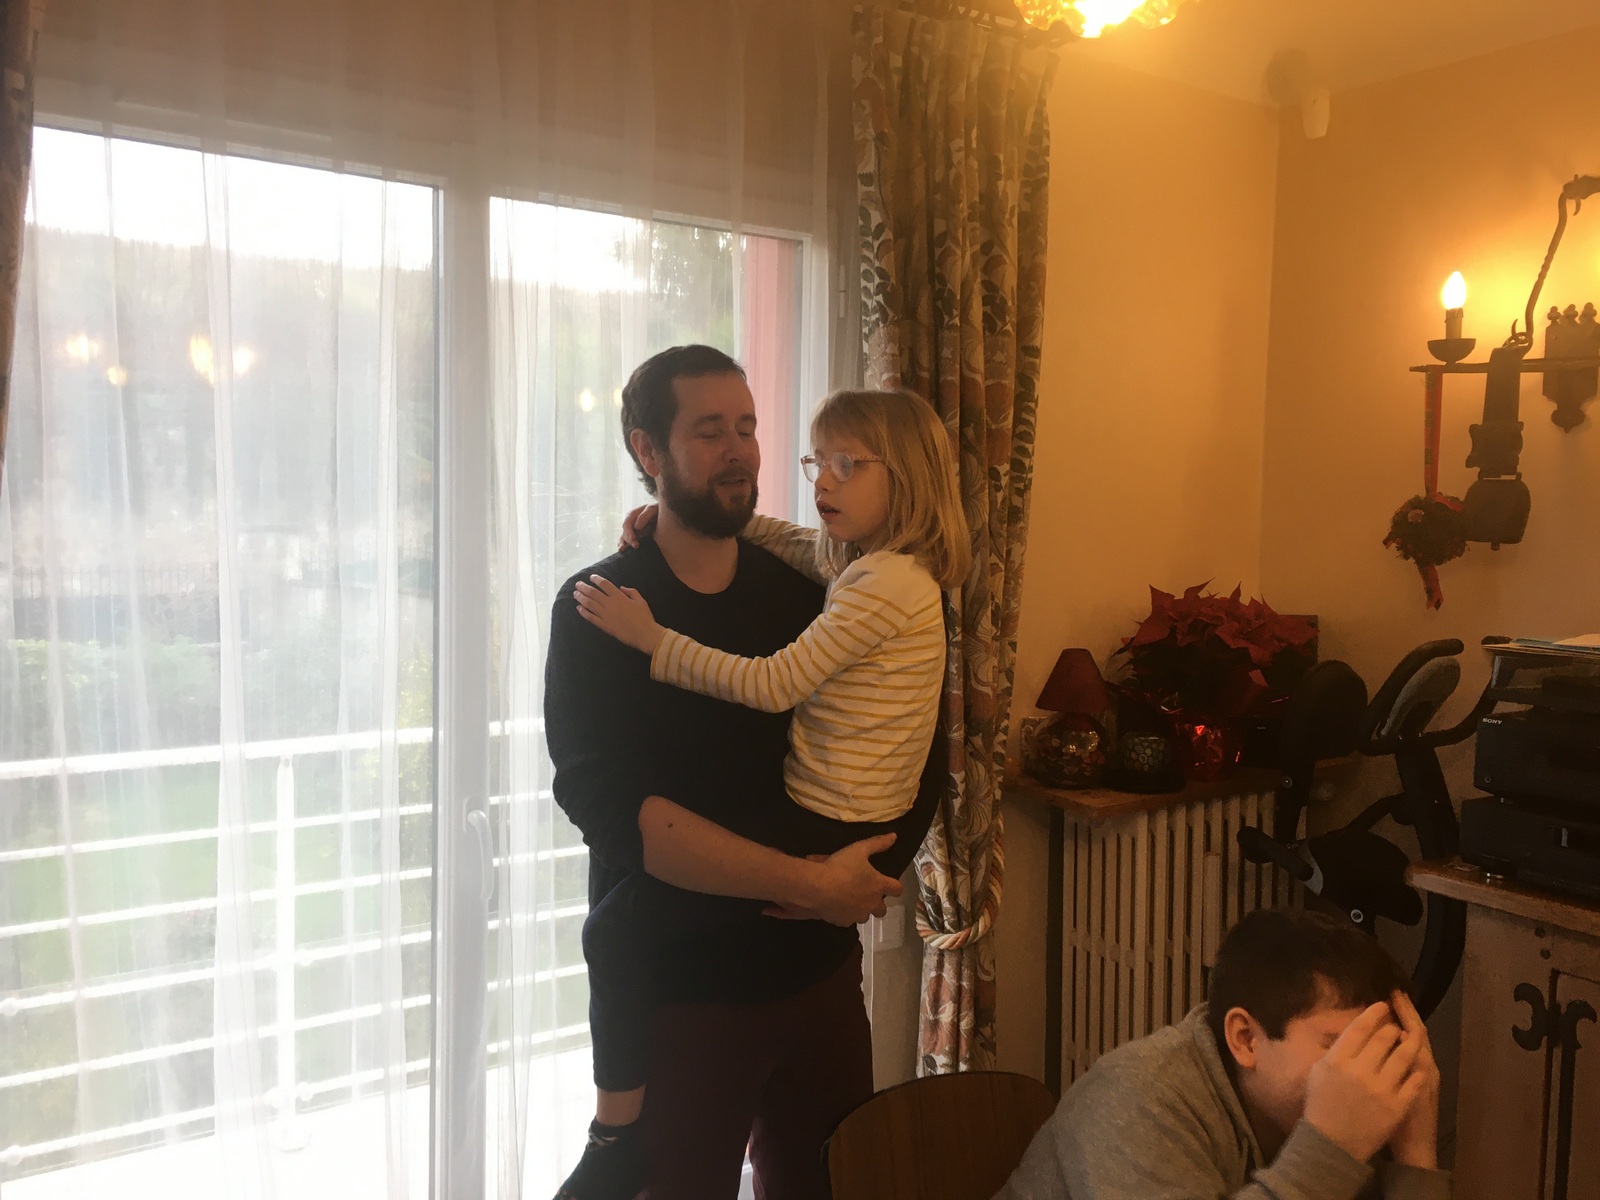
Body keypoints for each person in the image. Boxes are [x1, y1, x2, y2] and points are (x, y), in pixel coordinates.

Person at [544, 347, 945, 1200]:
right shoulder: (601, 608)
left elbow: (920, 744)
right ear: (647, 449)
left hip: (819, 972)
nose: (740, 451)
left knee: (830, 1187)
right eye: (709, 431)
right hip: (687, 992)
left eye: (748, 427)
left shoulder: (816, 587)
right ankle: (611, 1138)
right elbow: (603, 802)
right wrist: (812, 882)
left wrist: (865, 875)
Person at [995, 908, 1450, 1200]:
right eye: (1340, 1046)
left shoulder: (1345, 1110)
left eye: (1384, 1046)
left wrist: (1415, 1158)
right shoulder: (1136, 1096)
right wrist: (1330, 1151)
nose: (1370, 1070)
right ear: (1246, 1039)